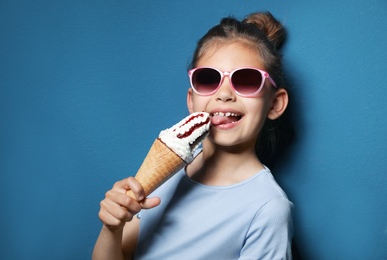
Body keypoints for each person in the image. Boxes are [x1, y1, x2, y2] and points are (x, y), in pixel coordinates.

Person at [93, 11, 293, 260]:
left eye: (247, 80)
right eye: (209, 79)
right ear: (192, 101)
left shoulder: (268, 208)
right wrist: (112, 228)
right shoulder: (167, 173)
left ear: (275, 104)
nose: (224, 94)